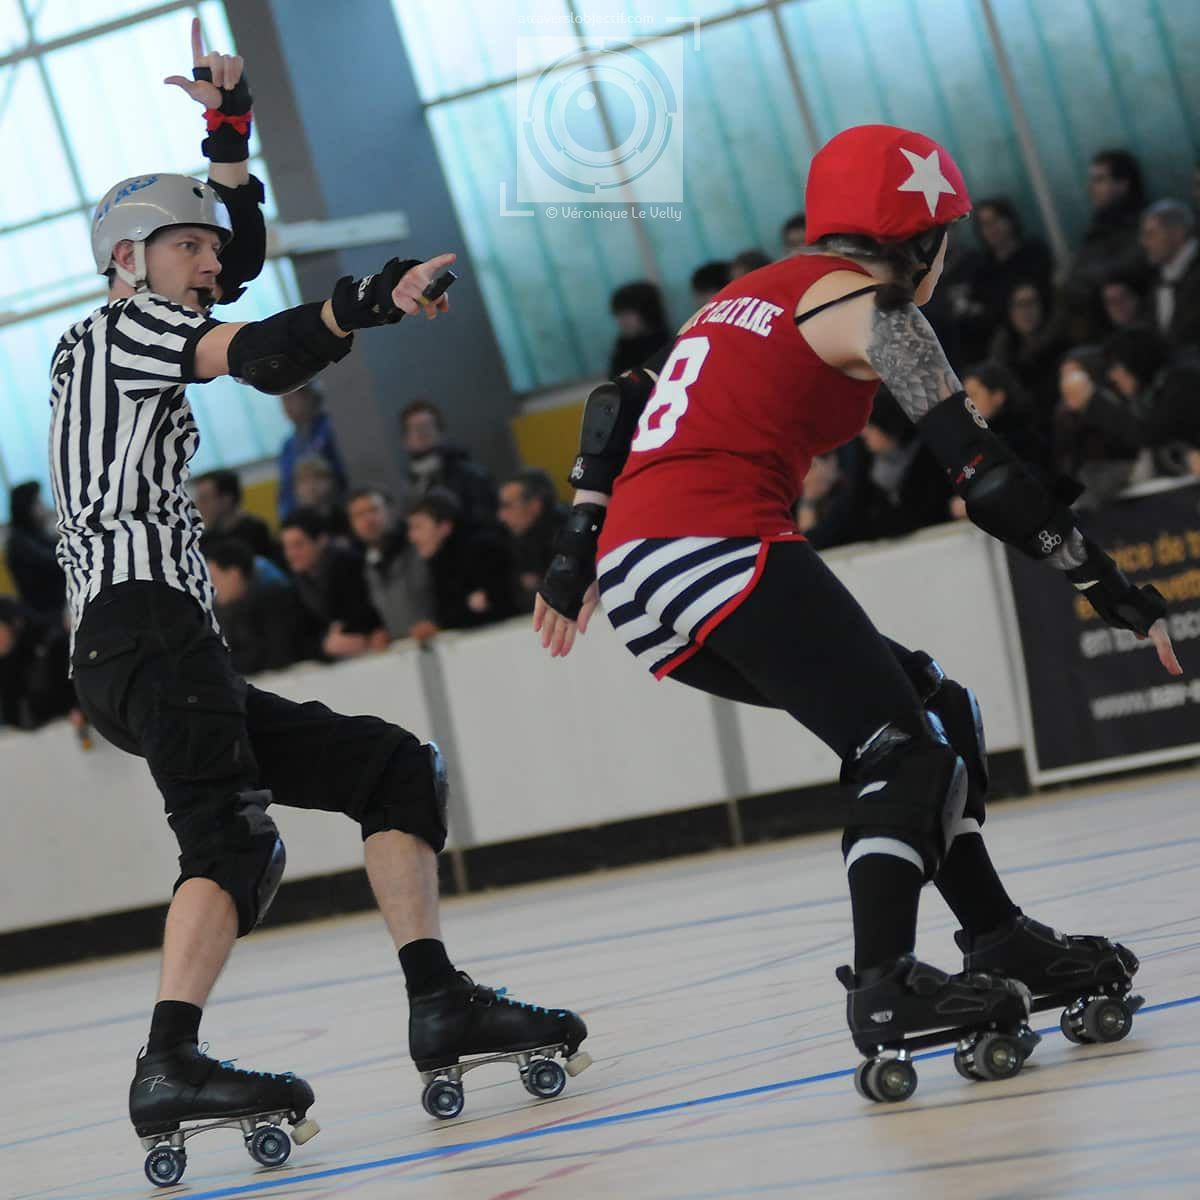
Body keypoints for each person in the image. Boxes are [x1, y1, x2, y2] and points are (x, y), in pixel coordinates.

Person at [533, 124, 1176, 1100]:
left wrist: (577, 546)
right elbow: (984, 478)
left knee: (930, 705)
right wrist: (1108, 585)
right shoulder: (878, 311)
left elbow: (618, 403)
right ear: (920, 239)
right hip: (717, 545)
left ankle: (997, 933)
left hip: (643, 570)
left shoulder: (742, 294)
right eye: (945, 235)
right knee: (903, 751)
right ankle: (882, 987)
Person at [56, 123, 585, 1193]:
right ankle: (169, 1063)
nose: (212, 265)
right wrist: (370, 300)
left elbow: (235, 274)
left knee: (391, 767)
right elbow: (257, 355)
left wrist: (228, 149)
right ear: (129, 261)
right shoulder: (127, 329)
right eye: (188, 249)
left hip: (140, 642)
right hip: (145, 621)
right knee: (235, 845)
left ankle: (438, 1002)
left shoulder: (120, 327)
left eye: (210, 250)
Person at [406, 488, 518, 633]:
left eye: (418, 527)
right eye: (410, 528)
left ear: (444, 527)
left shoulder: (485, 552)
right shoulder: (435, 563)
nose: (412, 537)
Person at [346, 486, 436, 642]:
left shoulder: (420, 546)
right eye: (359, 515)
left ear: (391, 511)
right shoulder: (364, 567)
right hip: (404, 654)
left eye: (374, 510)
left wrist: (436, 622)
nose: (368, 519)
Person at [399, 399, 497, 528]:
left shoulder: (471, 475)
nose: (422, 432)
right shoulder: (411, 484)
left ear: (440, 432)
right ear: (405, 440)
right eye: (416, 428)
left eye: (427, 426)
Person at [497, 468, 566, 612]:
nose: (501, 516)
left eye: (507, 506)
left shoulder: (573, 537)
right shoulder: (515, 541)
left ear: (535, 505)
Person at [5, 481, 67, 621]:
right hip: (47, 616)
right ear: (27, 507)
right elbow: (57, 562)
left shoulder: (34, 534)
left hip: (58, 607)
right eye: (38, 503)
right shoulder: (19, 542)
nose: (44, 507)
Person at [192, 469, 281, 565]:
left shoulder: (255, 531)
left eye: (205, 499)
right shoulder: (204, 539)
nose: (199, 506)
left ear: (226, 500)